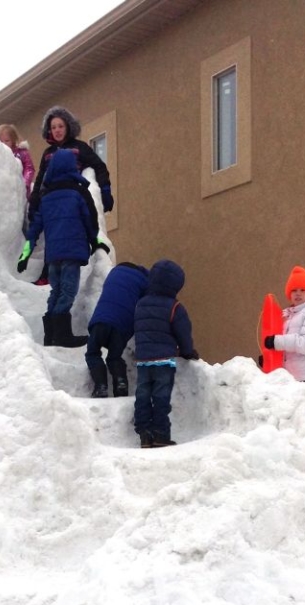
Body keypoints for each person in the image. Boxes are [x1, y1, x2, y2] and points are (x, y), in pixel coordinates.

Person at [17, 149, 105, 348]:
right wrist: (95, 241)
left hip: (53, 255)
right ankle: (62, 335)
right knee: (68, 291)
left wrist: (25, 255)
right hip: (72, 252)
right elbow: (91, 220)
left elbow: (35, 228)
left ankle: (51, 335)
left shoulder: (46, 196)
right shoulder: (78, 191)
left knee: (56, 290)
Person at [29, 106, 115, 287]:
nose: (57, 130)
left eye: (60, 126)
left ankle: (67, 275)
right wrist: (35, 200)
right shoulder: (48, 153)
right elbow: (40, 179)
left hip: (70, 196)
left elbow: (99, 166)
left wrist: (105, 190)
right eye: (53, 127)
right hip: (51, 198)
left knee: (67, 233)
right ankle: (47, 272)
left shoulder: (79, 148)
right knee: (53, 235)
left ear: (68, 126)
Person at [133, 260, 199, 448]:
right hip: (164, 360)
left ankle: (144, 434)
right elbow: (183, 332)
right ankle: (161, 434)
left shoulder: (141, 303)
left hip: (143, 360)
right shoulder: (174, 307)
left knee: (143, 396)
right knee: (161, 397)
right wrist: (187, 351)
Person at [85, 263, 149, 398]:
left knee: (93, 353)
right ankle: (121, 384)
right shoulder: (144, 282)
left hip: (102, 319)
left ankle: (101, 386)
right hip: (123, 325)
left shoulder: (114, 273)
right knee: (114, 357)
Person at [263, 265, 305, 385]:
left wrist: (276, 342)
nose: (298, 293)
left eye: (302, 290)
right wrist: (269, 359)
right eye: (294, 290)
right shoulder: (288, 316)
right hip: (290, 377)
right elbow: (286, 349)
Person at [0, 124, 35, 199]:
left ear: (13, 140)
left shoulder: (21, 153)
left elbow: (29, 168)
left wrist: (25, 183)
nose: (4, 144)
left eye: (7, 141)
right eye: (1, 142)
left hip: (22, 191)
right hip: (5, 192)